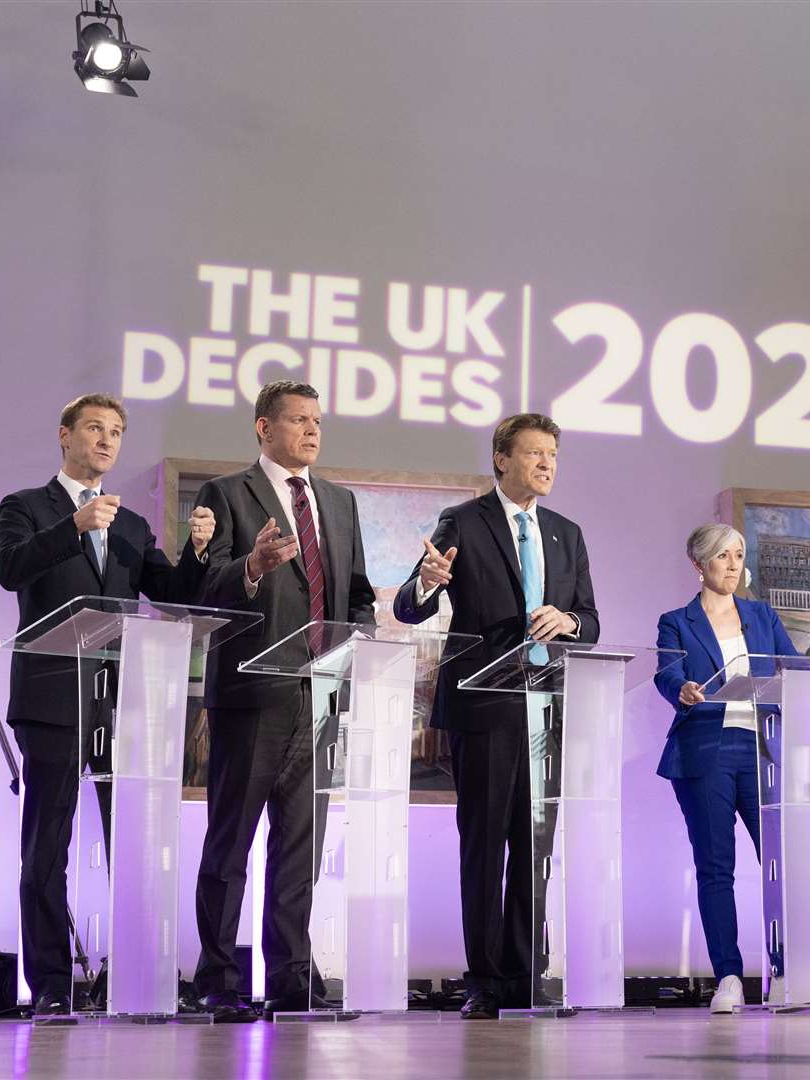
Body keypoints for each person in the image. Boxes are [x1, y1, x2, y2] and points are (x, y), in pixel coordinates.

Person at [0, 393, 214, 1016]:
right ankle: (51, 988)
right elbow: (10, 569)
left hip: (122, 705)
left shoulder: (133, 526)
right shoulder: (27, 508)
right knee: (46, 848)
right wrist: (74, 528)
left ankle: (141, 978)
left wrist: (197, 554)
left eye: (116, 431)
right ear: (65, 436)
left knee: (136, 847)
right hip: (53, 700)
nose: (107, 440)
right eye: (94, 428)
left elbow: (169, 595)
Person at [394, 413, 599, 1020]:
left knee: (535, 848)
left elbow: (590, 622)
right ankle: (483, 977)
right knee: (484, 847)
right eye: (534, 454)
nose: (545, 465)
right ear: (501, 459)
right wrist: (428, 583)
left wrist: (569, 623)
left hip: (546, 707)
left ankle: (525, 975)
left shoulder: (567, 532)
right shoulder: (465, 521)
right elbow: (409, 605)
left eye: (553, 455)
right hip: (485, 707)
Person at [191, 380, 376, 1020]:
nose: (312, 430)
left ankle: (291, 978)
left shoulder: (340, 501)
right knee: (230, 845)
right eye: (298, 419)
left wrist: (359, 642)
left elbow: (355, 594)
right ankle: (217, 977)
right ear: (264, 428)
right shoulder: (226, 493)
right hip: (252, 692)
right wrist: (253, 565)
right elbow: (204, 586)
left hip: (320, 693)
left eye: (317, 420)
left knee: (301, 847)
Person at [655, 523, 810, 1014]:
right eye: (723, 556)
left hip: (762, 751)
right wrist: (682, 689)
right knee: (715, 869)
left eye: (738, 555)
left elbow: (793, 666)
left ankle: (788, 970)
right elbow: (667, 670)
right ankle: (728, 976)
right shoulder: (677, 620)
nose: (733, 565)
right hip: (706, 748)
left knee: (782, 862)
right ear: (700, 564)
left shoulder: (760, 615)